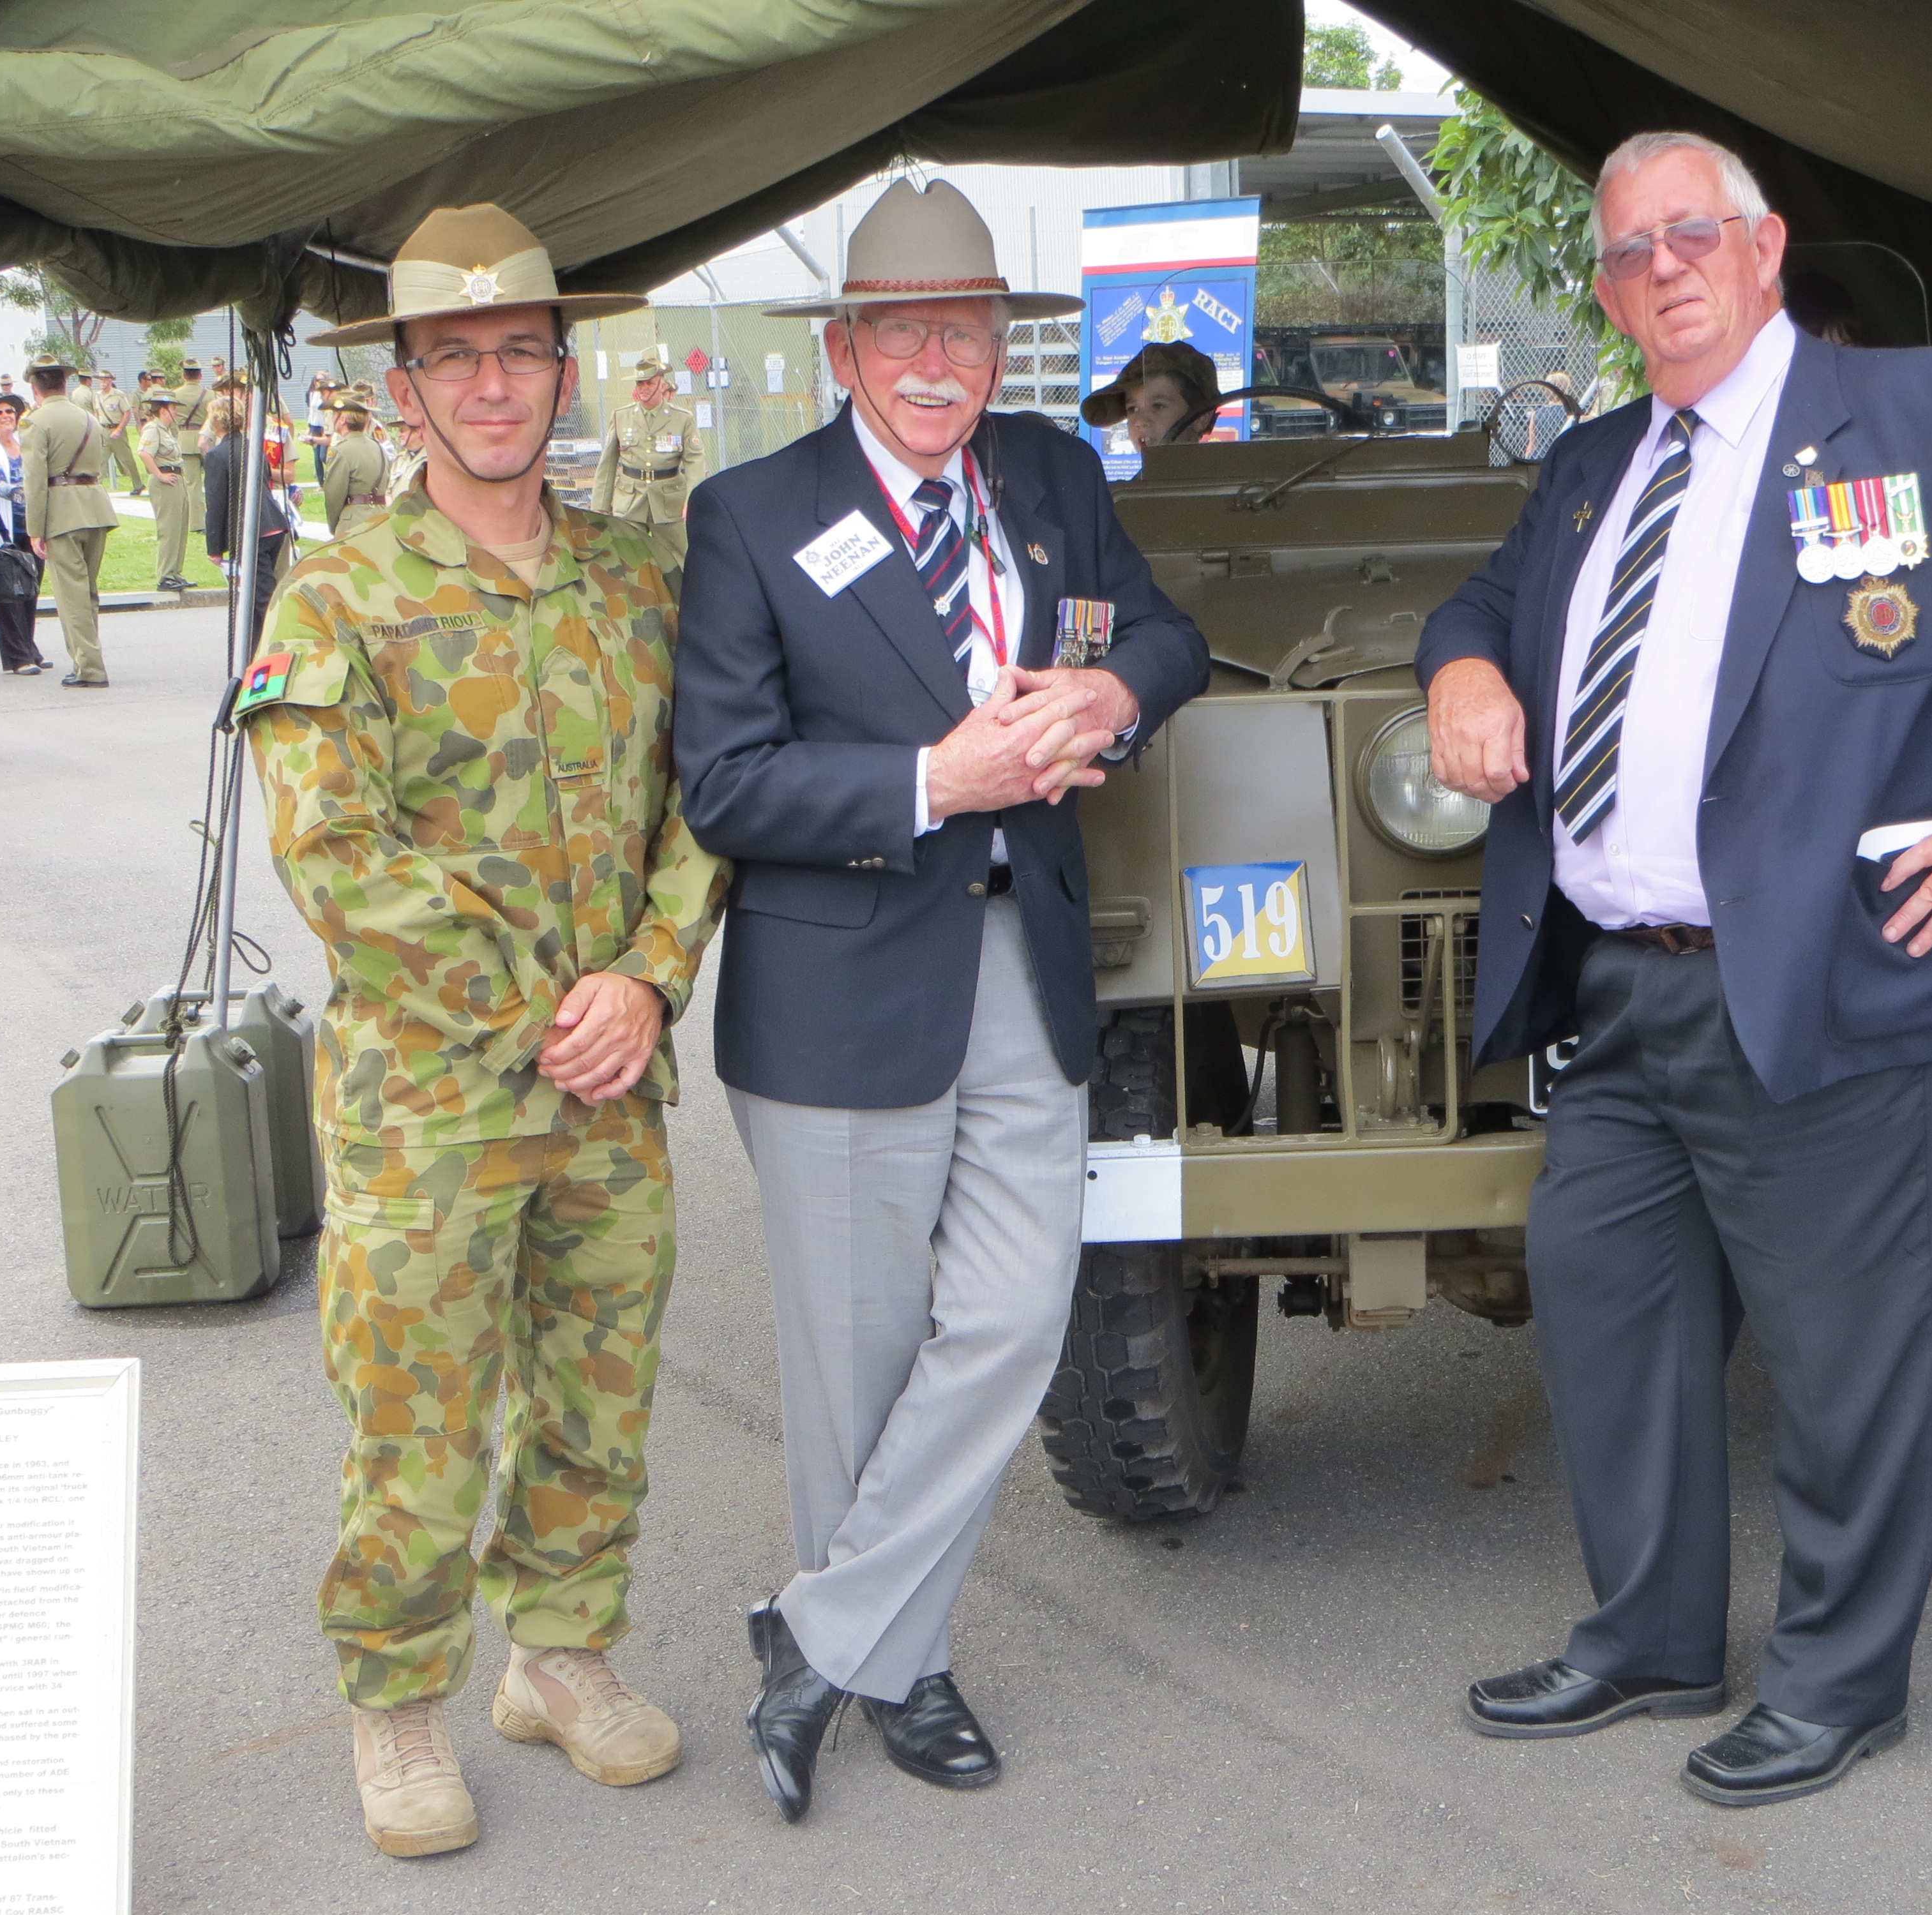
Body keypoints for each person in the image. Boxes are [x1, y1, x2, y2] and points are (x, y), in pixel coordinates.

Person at [1419, 131, 1932, 1808]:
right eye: (1629, 252)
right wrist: (1462, 672)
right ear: (1606, 293)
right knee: (1610, 1320)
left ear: (1762, 248)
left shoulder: (1914, 412)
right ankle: (1648, 1640)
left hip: (1845, 982)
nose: (1663, 269)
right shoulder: (1594, 461)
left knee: (1849, 1367)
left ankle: (1839, 1687)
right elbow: (1480, 603)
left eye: (1692, 235)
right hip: (1620, 988)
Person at [675, 177, 1211, 1824]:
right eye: (901, 330)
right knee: (858, 1360)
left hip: (1018, 956)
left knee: (1011, 1317)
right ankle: (904, 1665)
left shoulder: (1050, 473)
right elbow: (724, 782)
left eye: (965, 330)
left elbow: (1170, 636)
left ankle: (820, 1635)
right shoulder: (752, 513)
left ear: (1000, 346)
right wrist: (933, 778)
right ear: (843, 349)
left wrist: (1112, 692)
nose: (934, 360)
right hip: (841, 982)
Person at [239, 201, 728, 1862]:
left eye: (520, 350)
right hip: (431, 1097)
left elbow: (707, 797)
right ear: (406, 392)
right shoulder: (339, 595)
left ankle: (559, 1654)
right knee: (420, 1422)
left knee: (598, 1393)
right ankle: (396, 1703)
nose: (494, 384)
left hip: (611, 1081)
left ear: (563, 370)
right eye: (456, 359)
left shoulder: (637, 581)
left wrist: (646, 975)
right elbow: (334, 853)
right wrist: (540, 1013)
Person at [20, 354, 116, 689]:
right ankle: (86, 658)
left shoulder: (35, 422)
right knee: (87, 592)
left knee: (71, 595)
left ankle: (89, 667)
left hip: (62, 512)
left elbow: (34, 481)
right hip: (95, 506)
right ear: (65, 383)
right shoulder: (88, 417)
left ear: (35, 387)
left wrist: (35, 529)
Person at [200, 392, 292, 643]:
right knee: (257, 594)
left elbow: (216, 503)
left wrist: (214, 548)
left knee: (262, 598)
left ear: (216, 422)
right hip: (274, 524)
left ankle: (276, 643)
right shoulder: (253, 447)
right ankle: (253, 648)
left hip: (253, 531)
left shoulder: (217, 456)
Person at [0, 392, 52, 677]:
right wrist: (27, 493)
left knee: (30, 589)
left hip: (32, 528)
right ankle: (17, 657)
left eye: (10, 411)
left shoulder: (24, 444)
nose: (6, 416)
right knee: (8, 594)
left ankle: (29, 648)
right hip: (3, 532)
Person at [587, 351, 702, 536]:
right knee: (629, 551)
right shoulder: (621, 417)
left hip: (669, 504)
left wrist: (693, 501)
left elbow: (694, 463)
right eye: (640, 383)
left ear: (662, 386)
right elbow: (607, 464)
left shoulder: (682, 419)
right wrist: (600, 505)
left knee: (677, 552)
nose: (644, 388)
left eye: (649, 383)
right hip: (630, 502)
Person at [1079, 340, 1223, 451]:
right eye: (1132, 409)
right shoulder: (1132, 484)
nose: (1140, 421)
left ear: (1201, 418)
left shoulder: (1226, 480)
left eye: (1158, 406)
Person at [139, 393, 193, 591]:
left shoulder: (167, 431)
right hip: (165, 482)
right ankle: (165, 575)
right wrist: (160, 475)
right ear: (163, 411)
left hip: (176, 479)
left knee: (180, 528)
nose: (176, 413)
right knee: (169, 529)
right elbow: (144, 453)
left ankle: (176, 572)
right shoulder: (153, 429)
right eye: (173, 409)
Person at [319, 394, 391, 537]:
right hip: (381, 519)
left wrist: (335, 526)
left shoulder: (340, 451)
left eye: (335, 414)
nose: (332, 419)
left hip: (353, 522)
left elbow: (334, 496)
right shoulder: (379, 448)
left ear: (343, 419)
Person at [173, 358, 210, 543]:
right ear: (200, 375)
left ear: (184, 375)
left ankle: (197, 523)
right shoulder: (210, 395)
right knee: (214, 481)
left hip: (185, 440)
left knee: (192, 484)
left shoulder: (175, 394)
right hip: (208, 439)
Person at [94, 372, 144, 495]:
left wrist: (119, 430)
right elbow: (97, 413)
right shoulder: (97, 396)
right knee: (101, 460)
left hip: (117, 430)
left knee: (126, 460)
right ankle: (97, 487)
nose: (103, 382)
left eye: (106, 380)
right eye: (101, 380)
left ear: (111, 381)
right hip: (103, 431)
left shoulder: (119, 395)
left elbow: (127, 413)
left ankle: (138, 485)